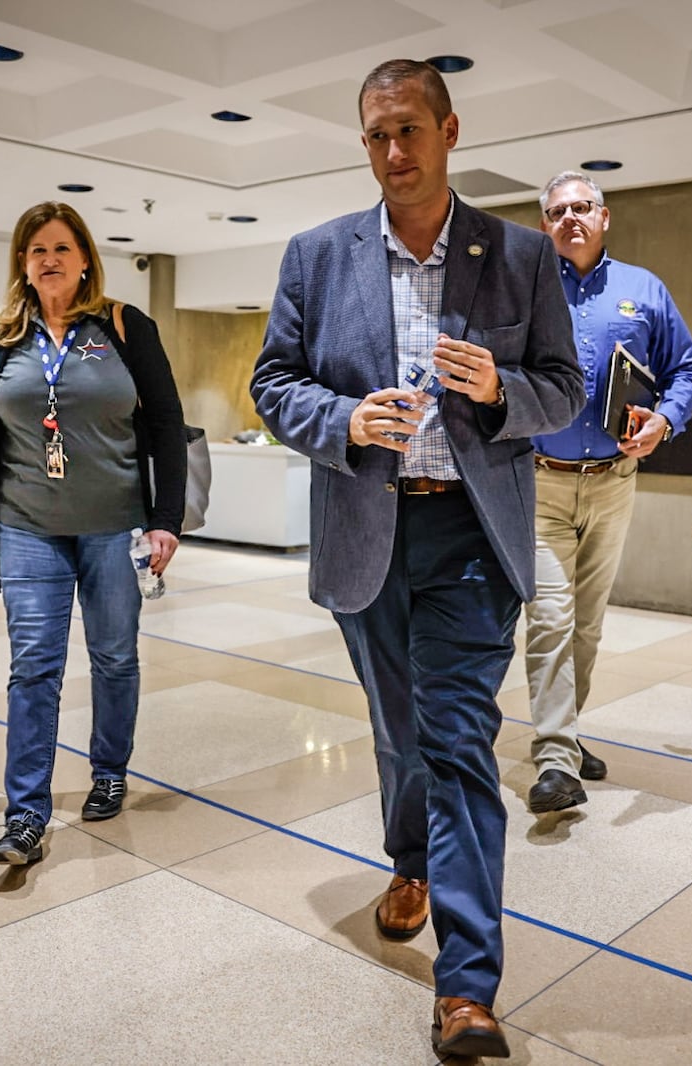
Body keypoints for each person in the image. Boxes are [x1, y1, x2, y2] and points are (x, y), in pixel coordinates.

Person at [250, 60, 582, 1059]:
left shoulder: (518, 255)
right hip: (366, 532)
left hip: (470, 539)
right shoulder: (316, 257)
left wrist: (499, 389)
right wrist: (346, 417)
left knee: (458, 745)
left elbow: (564, 390)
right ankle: (409, 859)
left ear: (448, 130)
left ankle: (467, 985)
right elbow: (273, 384)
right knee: (399, 733)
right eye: (375, 135)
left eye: (408, 130)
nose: (392, 152)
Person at [0, 201, 186, 865]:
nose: (49, 259)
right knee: (33, 666)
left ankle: (109, 768)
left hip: (113, 529)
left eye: (62, 247)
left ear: (85, 257)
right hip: (26, 527)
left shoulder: (122, 326)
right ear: (22, 262)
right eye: (36, 249)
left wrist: (166, 519)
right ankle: (25, 818)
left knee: (114, 657)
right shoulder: (2, 338)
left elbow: (165, 425)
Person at [522, 172, 692, 814]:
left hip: (613, 483)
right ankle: (553, 759)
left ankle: (564, 737)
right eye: (557, 211)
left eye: (581, 208)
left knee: (589, 627)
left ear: (605, 217)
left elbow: (686, 369)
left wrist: (665, 419)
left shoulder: (643, 289)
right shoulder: (527, 286)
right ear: (544, 223)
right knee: (550, 617)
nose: (570, 218)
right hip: (540, 482)